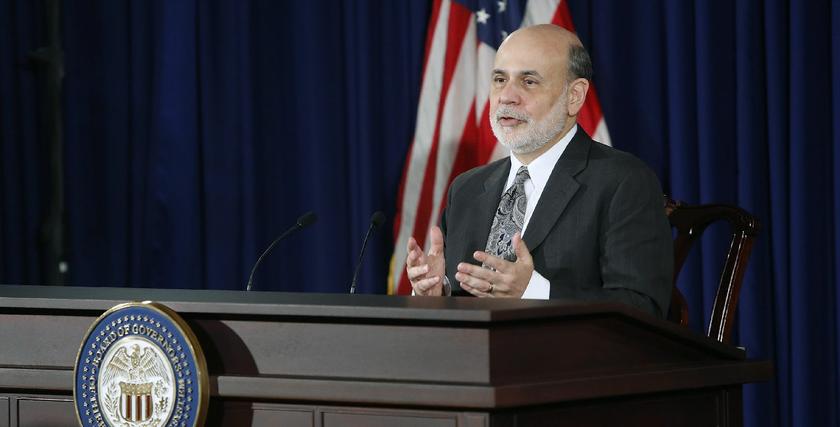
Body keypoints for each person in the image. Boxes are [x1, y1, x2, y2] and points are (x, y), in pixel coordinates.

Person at [404, 24, 673, 318]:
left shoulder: (623, 181)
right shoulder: (467, 188)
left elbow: (643, 308)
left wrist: (533, 291)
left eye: (528, 81)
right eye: (499, 79)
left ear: (575, 96)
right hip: (471, 360)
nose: (506, 97)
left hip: (570, 361)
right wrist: (434, 294)